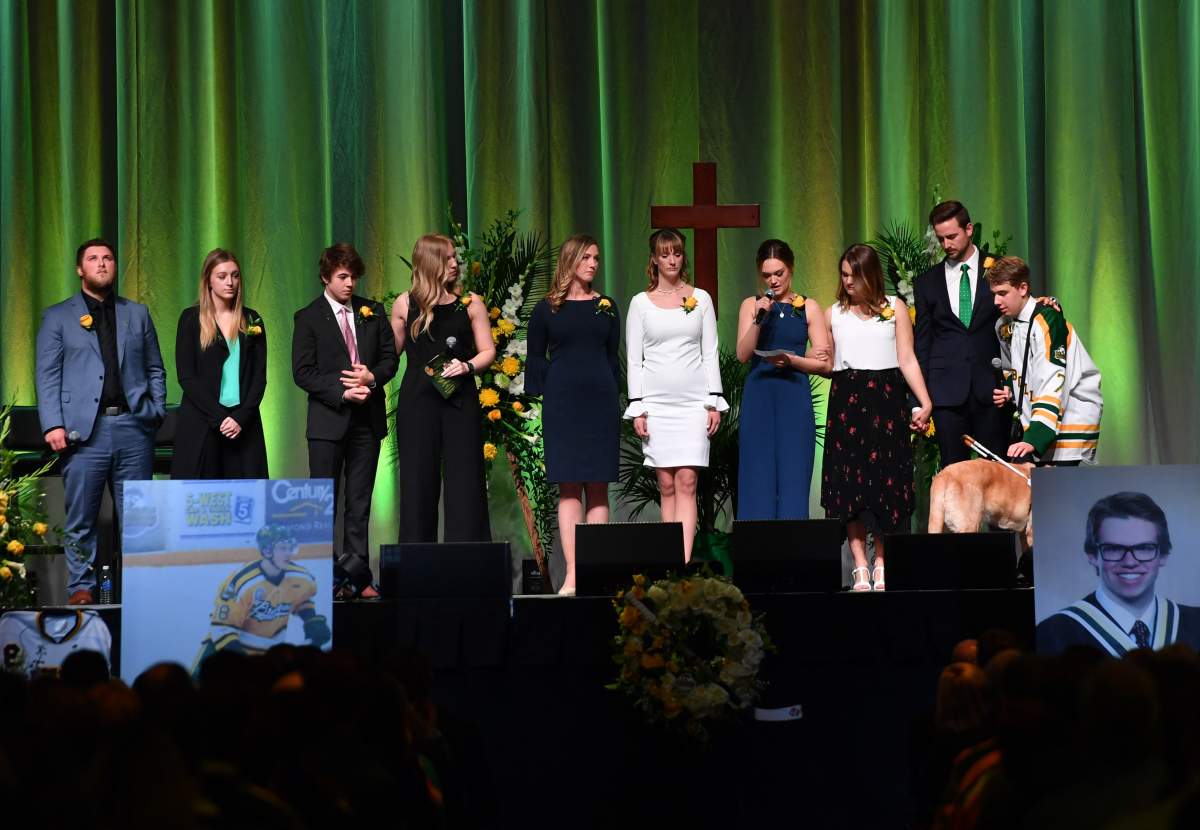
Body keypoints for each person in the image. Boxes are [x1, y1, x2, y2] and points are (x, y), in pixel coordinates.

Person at [35, 238, 167, 605]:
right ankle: (82, 589)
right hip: (82, 433)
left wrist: (154, 409)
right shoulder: (58, 316)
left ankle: (143, 591)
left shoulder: (136, 314)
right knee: (81, 519)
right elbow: (47, 374)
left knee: (139, 520)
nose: (102, 263)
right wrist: (52, 424)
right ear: (80, 269)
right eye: (93, 258)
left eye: (108, 257)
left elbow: (155, 367)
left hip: (133, 428)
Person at [820, 244, 932, 591]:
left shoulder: (894, 309)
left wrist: (924, 402)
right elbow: (825, 361)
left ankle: (883, 563)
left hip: (886, 400)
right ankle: (860, 566)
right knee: (850, 486)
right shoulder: (834, 313)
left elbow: (907, 358)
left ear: (870, 275)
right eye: (843, 275)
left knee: (887, 485)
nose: (848, 282)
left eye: (854, 275)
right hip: (848, 400)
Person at [292, 243, 397, 597]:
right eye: (342, 277)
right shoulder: (307, 317)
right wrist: (342, 392)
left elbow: (389, 361)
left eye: (353, 276)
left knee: (359, 504)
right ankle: (323, 578)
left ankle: (359, 577)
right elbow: (303, 372)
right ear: (325, 278)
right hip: (328, 423)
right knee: (322, 503)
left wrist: (371, 378)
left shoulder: (374, 311)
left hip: (367, 421)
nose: (350, 283)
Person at [526, 234, 620, 596]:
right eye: (586, 257)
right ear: (570, 261)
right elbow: (536, 357)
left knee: (597, 488)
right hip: (563, 405)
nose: (594, 263)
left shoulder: (607, 306)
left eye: (596, 257)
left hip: (600, 403)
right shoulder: (547, 308)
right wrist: (546, 391)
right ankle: (574, 574)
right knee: (568, 489)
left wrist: (616, 396)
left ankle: (596, 571)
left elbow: (612, 358)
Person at [625, 228, 726, 563]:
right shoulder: (640, 304)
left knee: (687, 482)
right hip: (655, 406)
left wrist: (713, 401)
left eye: (677, 253)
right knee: (666, 486)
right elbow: (634, 358)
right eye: (664, 253)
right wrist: (637, 407)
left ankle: (682, 564)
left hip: (693, 404)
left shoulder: (701, 299)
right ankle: (669, 563)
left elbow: (710, 352)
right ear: (653, 259)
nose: (671, 259)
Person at [389, 234, 494, 543]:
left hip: (459, 403)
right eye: (447, 258)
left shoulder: (470, 303)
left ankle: (468, 568)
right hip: (418, 405)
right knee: (417, 485)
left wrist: (467, 366)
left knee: (466, 485)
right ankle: (417, 569)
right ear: (430, 262)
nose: (454, 263)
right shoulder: (405, 304)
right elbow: (388, 355)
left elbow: (487, 351)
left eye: (455, 258)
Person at [734, 239, 831, 520]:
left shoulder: (808, 307)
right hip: (759, 396)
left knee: (794, 475)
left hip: (793, 395)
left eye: (779, 273)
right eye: (767, 275)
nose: (773, 281)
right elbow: (742, 354)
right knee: (758, 475)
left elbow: (824, 364)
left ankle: (793, 556)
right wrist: (758, 319)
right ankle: (758, 556)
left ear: (791, 269)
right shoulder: (751, 305)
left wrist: (794, 361)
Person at [1036, 492, 1200, 655]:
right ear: (1092, 556)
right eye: (1114, 549)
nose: (1129, 562)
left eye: (1143, 548)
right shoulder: (1053, 634)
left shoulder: (1195, 624)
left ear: (1163, 555)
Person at [914, 201, 1009, 466]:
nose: (946, 245)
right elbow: (922, 344)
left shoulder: (1000, 269)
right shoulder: (926, 282)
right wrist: (918, 401)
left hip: (991, 390)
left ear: (969, 229)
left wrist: (1045, 305)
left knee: (997, 475)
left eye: (952, 236)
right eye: (941, 238)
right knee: (954, 476)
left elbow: (1020, 310)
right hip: (946, 395)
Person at [987, 256, 1102, 465]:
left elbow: (1052, 377)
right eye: (994, 294)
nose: (996, 301)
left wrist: (1035, 436)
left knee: (1066, 492)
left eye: (1003, 293)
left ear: (1023, 288)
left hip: (1071, 424)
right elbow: (1016, 369)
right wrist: (1010, 391)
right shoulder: (1005, 325)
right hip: (1041, 424)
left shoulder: (1048, 320)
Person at [171, 249, 268, 479]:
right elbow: (186, 376)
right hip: (202, 423)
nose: (230, 282)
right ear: (208, 281)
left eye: (235, 276)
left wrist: (240, 418)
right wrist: (220, 418)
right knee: (199, 502)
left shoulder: (252, 319)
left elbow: (259, 377)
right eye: (222, 276)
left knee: (247, 502)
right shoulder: (190, 319)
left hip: (243, 425)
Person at [191, 524, 330, 675]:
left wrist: (310, 618)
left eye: (290, 548)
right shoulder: (242, 582)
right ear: (267, 550)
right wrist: (239, 659)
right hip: (225, 650)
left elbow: (301, 599)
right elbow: (222, 627)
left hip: (268, 654)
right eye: (283, 548)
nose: (288, 553)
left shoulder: (301, 577)